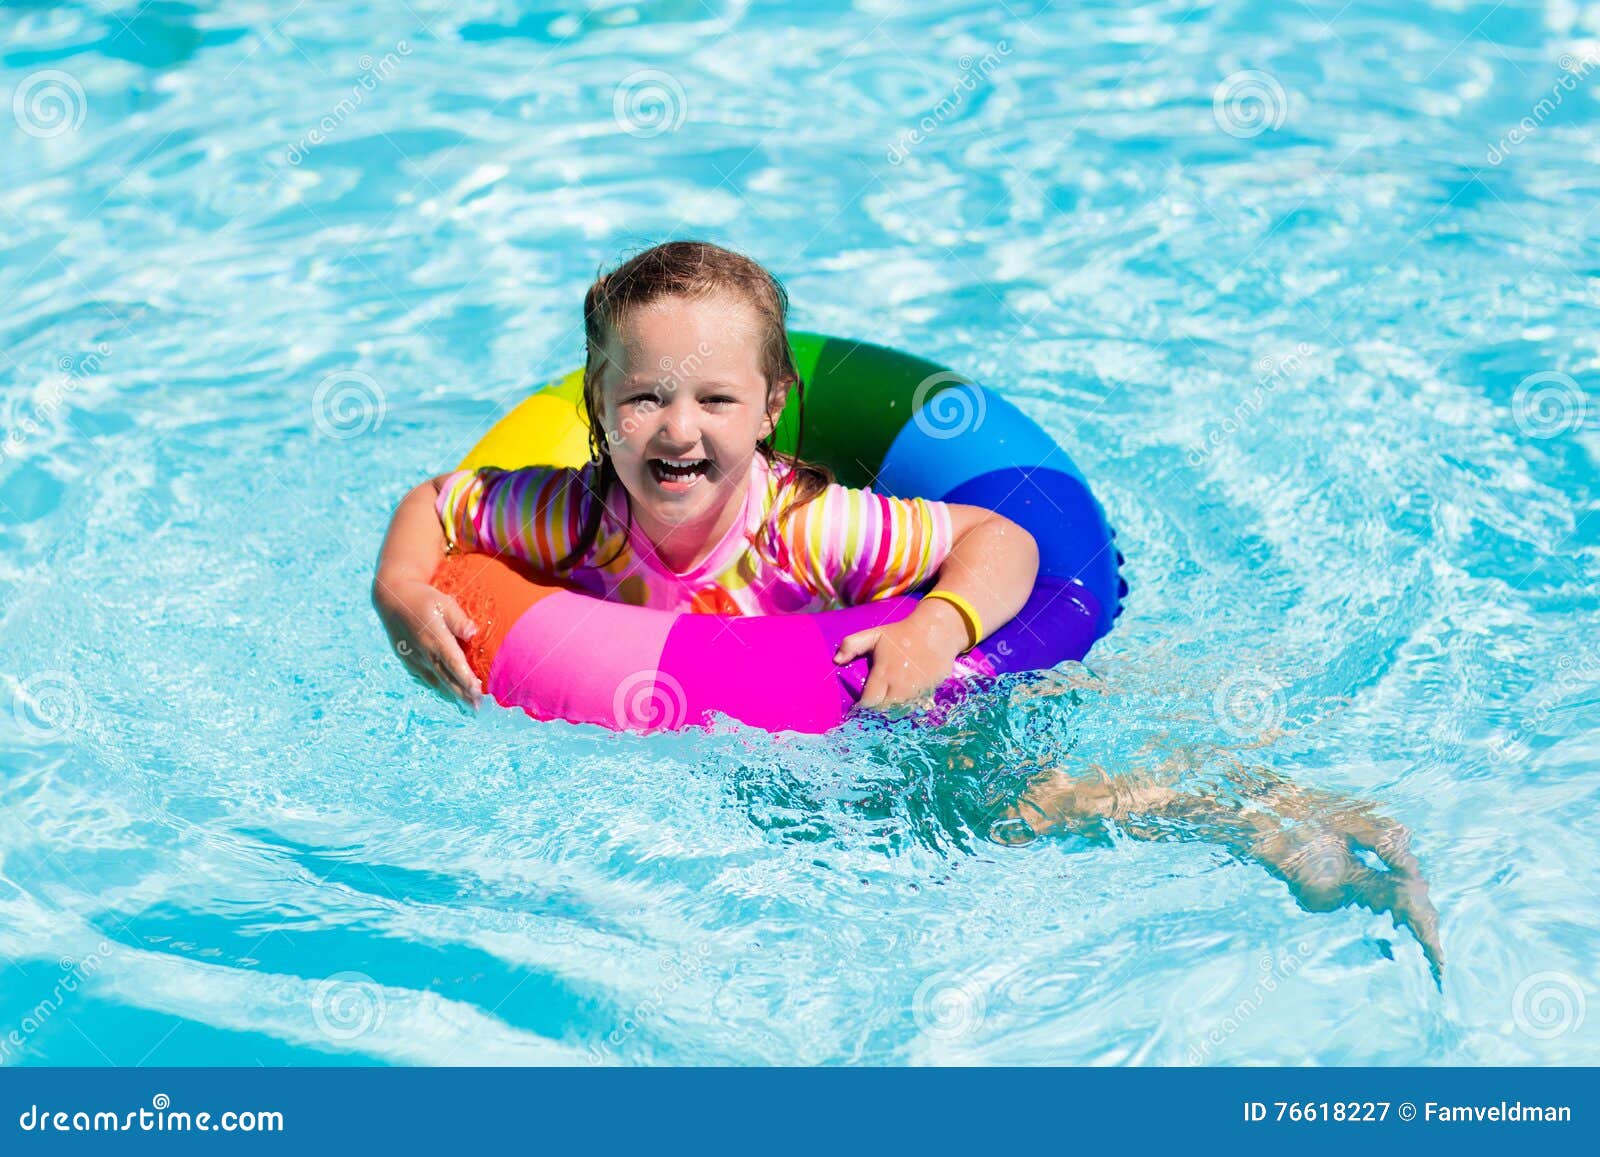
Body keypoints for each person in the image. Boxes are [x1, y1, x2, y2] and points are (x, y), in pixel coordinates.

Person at [372, 240, 1040, 711]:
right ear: (598, 402)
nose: (679, 429)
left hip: (821, 743)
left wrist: (936, 627)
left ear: (770, 407)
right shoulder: (572, 515)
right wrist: (398, 589)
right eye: (644, 397)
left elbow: (1003, 538)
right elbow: (435, 503)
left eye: (715, 400)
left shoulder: (807, 527)